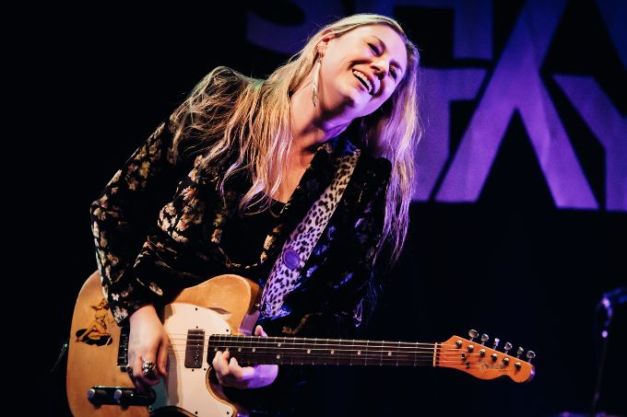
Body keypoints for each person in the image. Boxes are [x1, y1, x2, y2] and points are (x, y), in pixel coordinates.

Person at [89, 13, 421, 416]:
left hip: (225, 399)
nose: (381, 68)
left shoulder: (363, 184)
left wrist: (271, 372)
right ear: (326, 43)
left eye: (393, 73)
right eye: (374, 48)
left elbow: (337, 316)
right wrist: (138, 314)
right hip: (124, 355)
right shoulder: (225, 103)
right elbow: (113, 208)